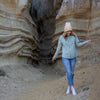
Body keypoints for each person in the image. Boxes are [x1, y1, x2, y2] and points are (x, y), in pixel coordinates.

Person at [52, 22, 92, 95]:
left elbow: (78, 44)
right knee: (69, 72)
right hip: (65, 58)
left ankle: (68, 86)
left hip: (73, 57)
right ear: (65, 31)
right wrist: (54, 57)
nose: (69, 32)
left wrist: (86, 42)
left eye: (70, 31)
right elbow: (58, 48)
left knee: (71, 73)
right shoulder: (61, 38)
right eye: (68, 31)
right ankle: (73, 88)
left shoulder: (74, 36)